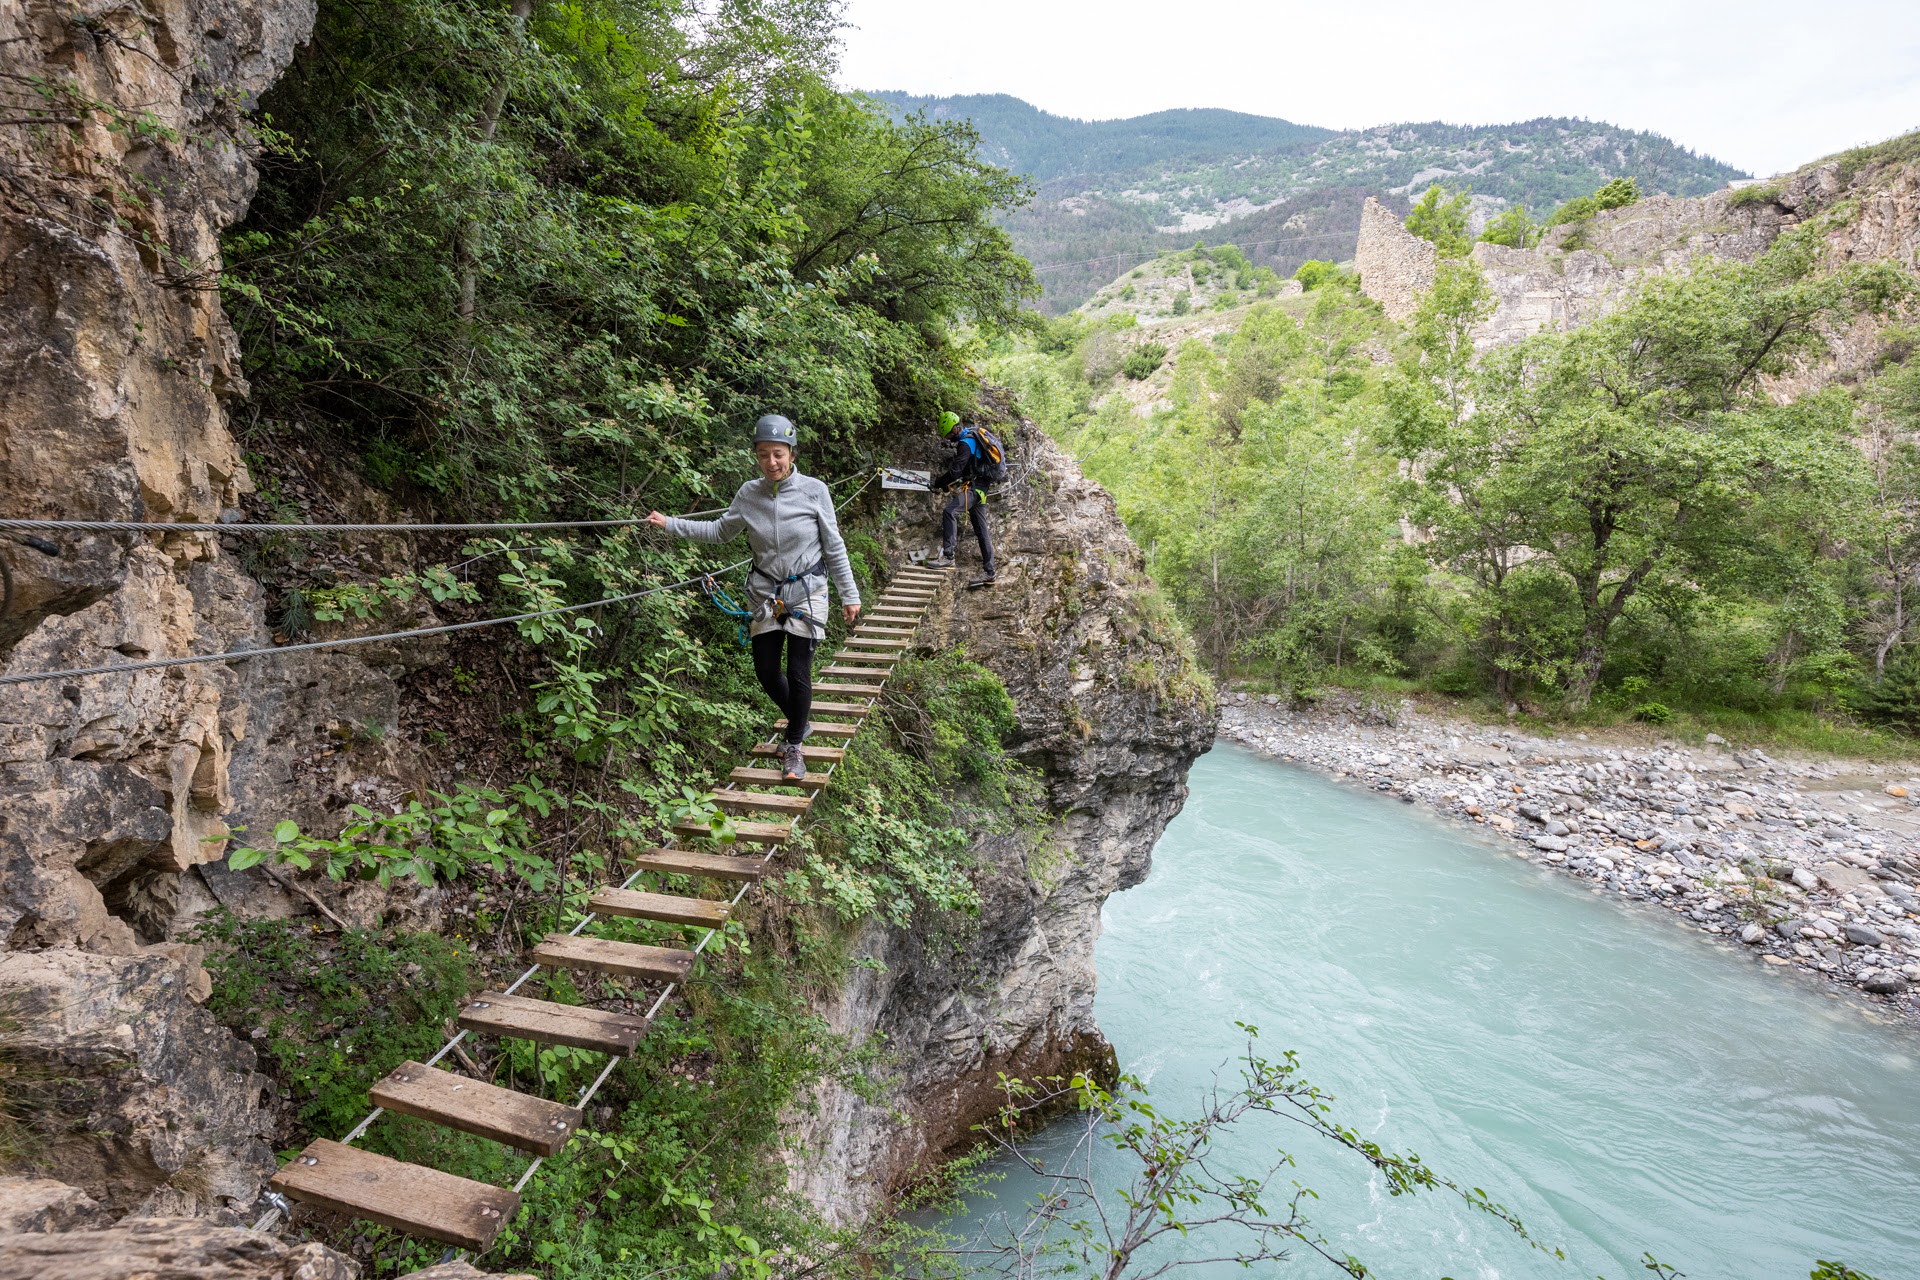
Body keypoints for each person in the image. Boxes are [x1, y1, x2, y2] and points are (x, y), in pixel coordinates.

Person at [647, 415, 860, 780]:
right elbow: (719, 531)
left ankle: (794, 745)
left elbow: (834, 545)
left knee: (797, 671)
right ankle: (800, 722)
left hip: (807, 591)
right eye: (764, 455)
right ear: (757, 457)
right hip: (765, 594)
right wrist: (671, 523)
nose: (772, 462)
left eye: (778, 454)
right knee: (765, 670)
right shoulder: (749, 493)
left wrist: (849, 594)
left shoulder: (814, 491)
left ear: (791, 453)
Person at [927, 411, 1001, 589]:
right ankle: (990, 573)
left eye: (947, 434)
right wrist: (949, 484)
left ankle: (949, 557)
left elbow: (955, 471)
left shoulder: (965, 443)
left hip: (975, 490)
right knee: (982, 531)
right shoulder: (971, 437)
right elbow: (967, 469)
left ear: (953, 429)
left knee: (950, 512)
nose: (946, 438)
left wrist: (937, 483)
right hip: (979, 489)